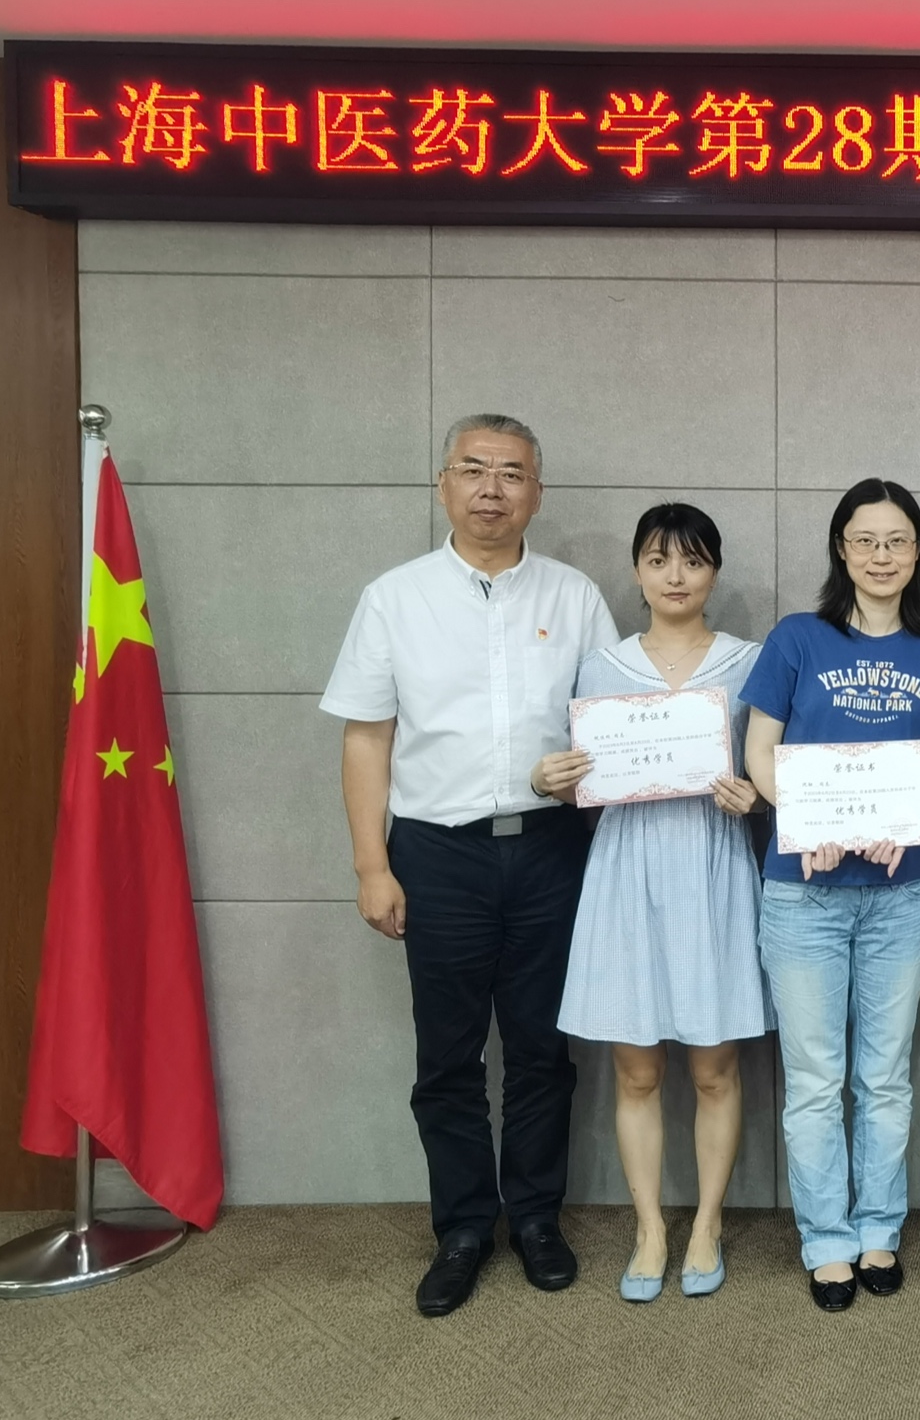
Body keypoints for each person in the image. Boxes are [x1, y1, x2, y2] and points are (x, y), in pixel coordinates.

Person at [321, 413, 617, 1317]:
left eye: (512, 473)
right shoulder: (394, 597)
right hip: (437, 853)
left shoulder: (575, 596)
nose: (493, 488)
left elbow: (612, 725)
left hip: (551, 849)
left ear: (538, 492)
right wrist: (371, 865)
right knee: (447, 1054)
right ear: (443, 482)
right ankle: (459, 1228)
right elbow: (367, 738)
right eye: (474, 468)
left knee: (542, 1050)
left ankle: (534, 1217)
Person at [531, 503, 771, 1303]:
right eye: (660, 560)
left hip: (712, 864)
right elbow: (579, 778)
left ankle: (706, 1223)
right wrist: (554, 779)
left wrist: (755, 797)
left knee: (714, 1065)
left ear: (714, 571)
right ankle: (649, 1229)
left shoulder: (751, 664)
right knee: (634, 1069)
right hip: (627, 869)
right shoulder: (600, 668)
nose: (676, 576)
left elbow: (777, 769)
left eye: (693, 560)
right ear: (637, 570)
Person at [742, 478, 920, 1313]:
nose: (882, 555)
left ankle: (879, 1229)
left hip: (898, 894)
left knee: (884, 1076)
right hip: (802, 893)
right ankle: (826, 1240)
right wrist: (807, 819)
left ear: (917, 551)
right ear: (841, 548)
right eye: (865, 540)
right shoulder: (798, 638)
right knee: (813, 1078)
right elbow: (758, 753)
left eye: (897, 540)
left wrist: (904, 822)